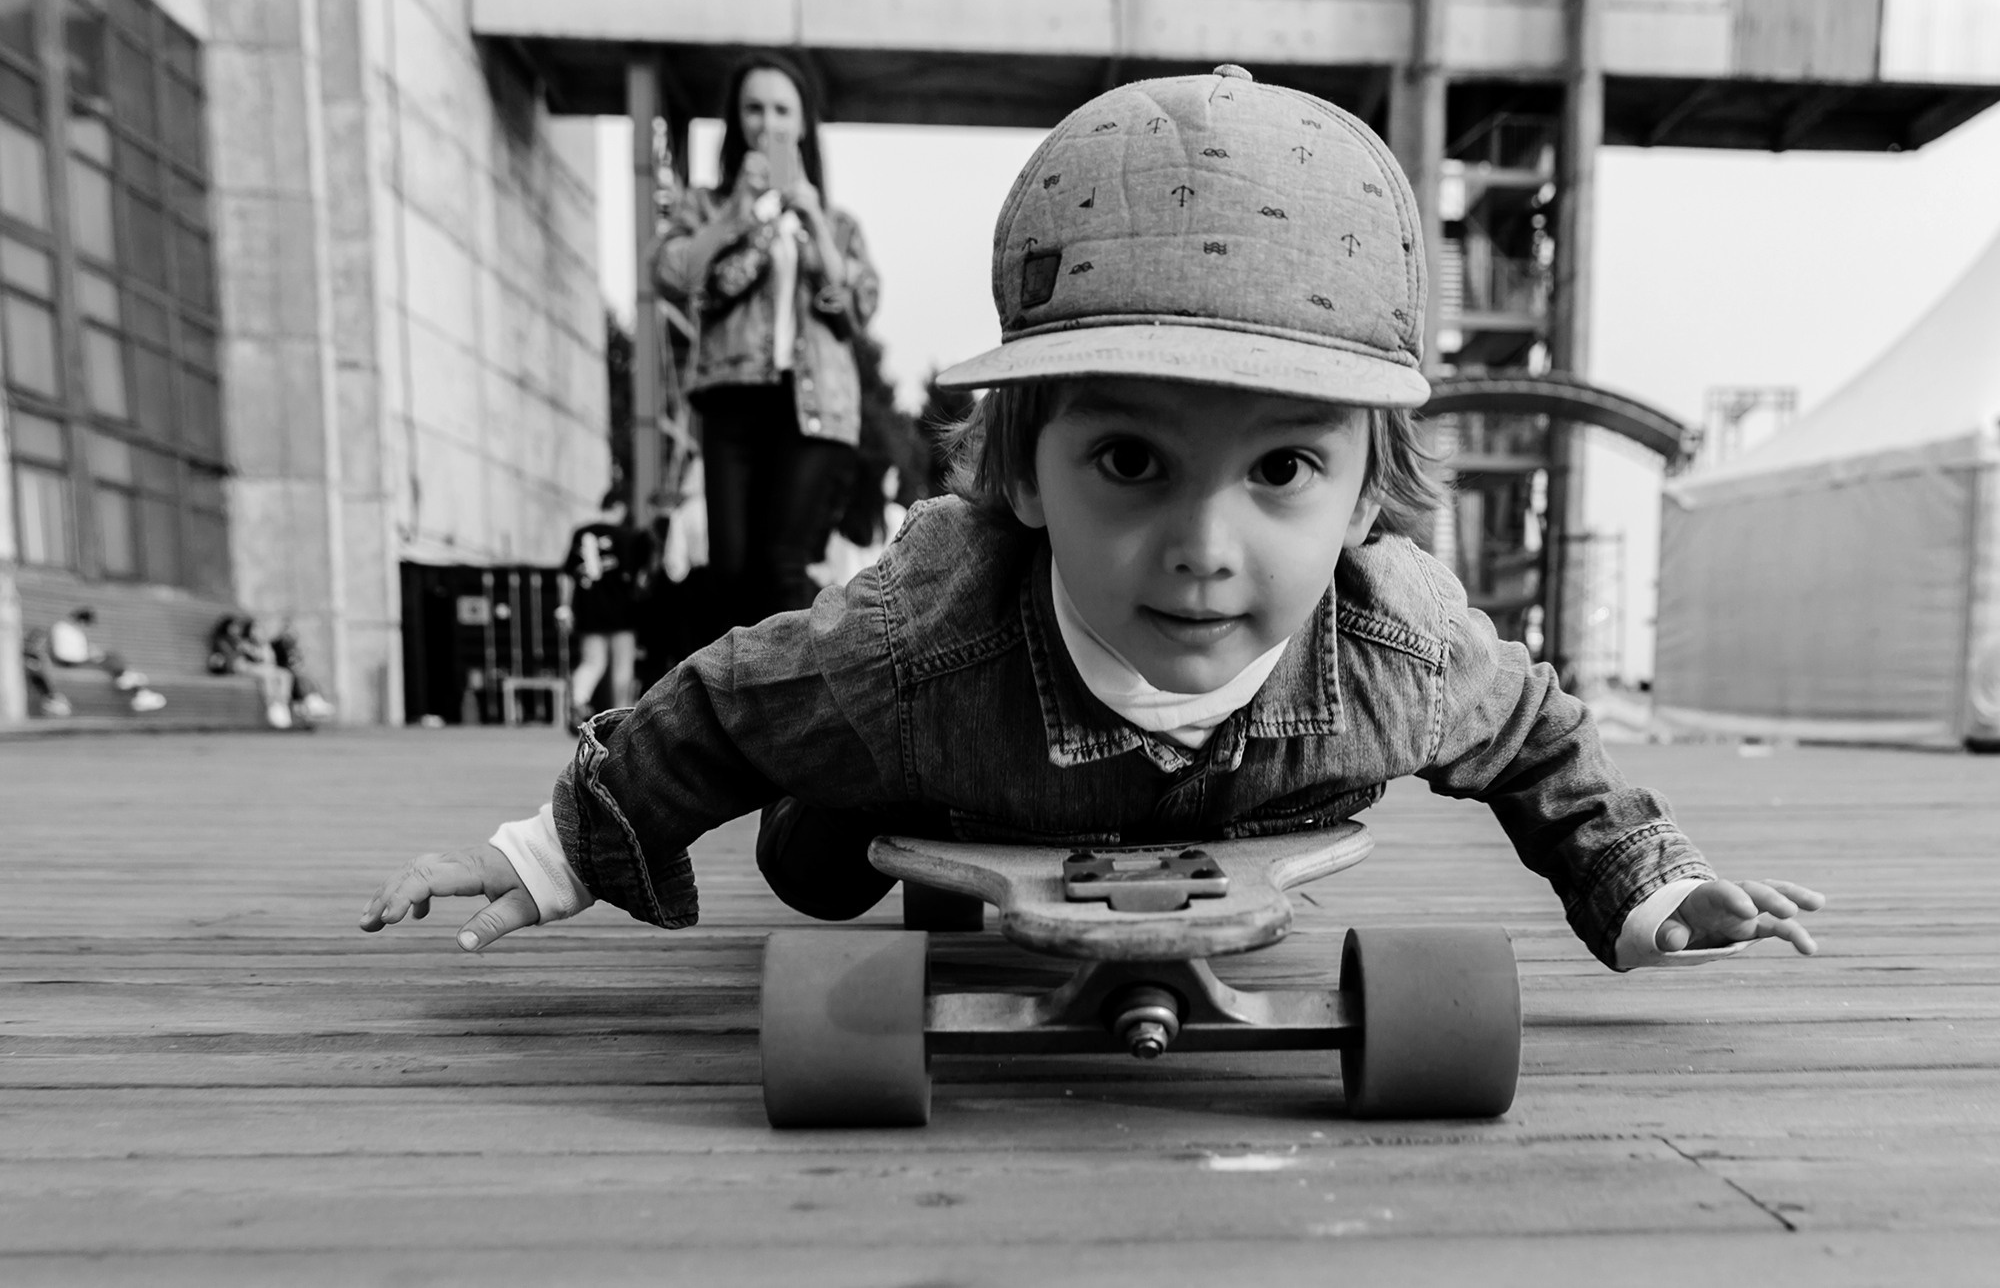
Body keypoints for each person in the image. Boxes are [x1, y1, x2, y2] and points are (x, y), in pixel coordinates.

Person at [363, 68, 1822, 992]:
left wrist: (1651, 884)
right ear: (1020, 469)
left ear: (1371, 490)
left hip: (1260, 806)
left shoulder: (1401, 642)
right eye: (1129, 457)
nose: (1203, 544)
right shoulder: (914, 645)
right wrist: (548, 851)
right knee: (816, 854)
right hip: (973, 769)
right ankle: (863, 810)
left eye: (1283, 471)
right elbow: (725, 705)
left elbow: (1543, 743)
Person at [651, 51, 881, 632]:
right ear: (737, 120)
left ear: (802, 122)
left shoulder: (840, 221)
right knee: (730, 572)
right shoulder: (705, 204)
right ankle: (746, 711)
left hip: (815, 409)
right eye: (753, 108)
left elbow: (859, 307)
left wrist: (813, 220)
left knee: (783, 564)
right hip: (733, 398)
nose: (768, 122)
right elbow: (672, 273)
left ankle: (792, 715)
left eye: (782, 108)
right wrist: (735, 214)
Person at [560, 488, 652, 721]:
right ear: (620, 508)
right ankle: (619, 717)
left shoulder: (581, 533)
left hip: (588, 610)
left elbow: (567, 575)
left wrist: (565, 607)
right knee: (622, 668)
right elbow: (639, 579)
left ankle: (578, 701)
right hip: (621, 612)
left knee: (592, 662)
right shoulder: (628, 537)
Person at [23, 607, 166, 715]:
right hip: (69, 661)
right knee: (110, 657)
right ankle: (130, 683)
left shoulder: (70, 630)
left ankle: (129, 680)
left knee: (110, 656)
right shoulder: (62, 628)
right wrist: (88, 655)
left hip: (75, 659)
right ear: (82, 620)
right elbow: (64, 652)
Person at [209, 613, 295, 728]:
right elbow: (233, 659)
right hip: (242, 667)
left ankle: (283, 705)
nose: (236, 629)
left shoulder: (251, 642)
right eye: (233, 627)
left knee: (285, 675)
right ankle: (273, 707)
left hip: (255, 666)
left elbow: (267, 660)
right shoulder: (230, 641)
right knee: (267, 675)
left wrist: (261, 645)